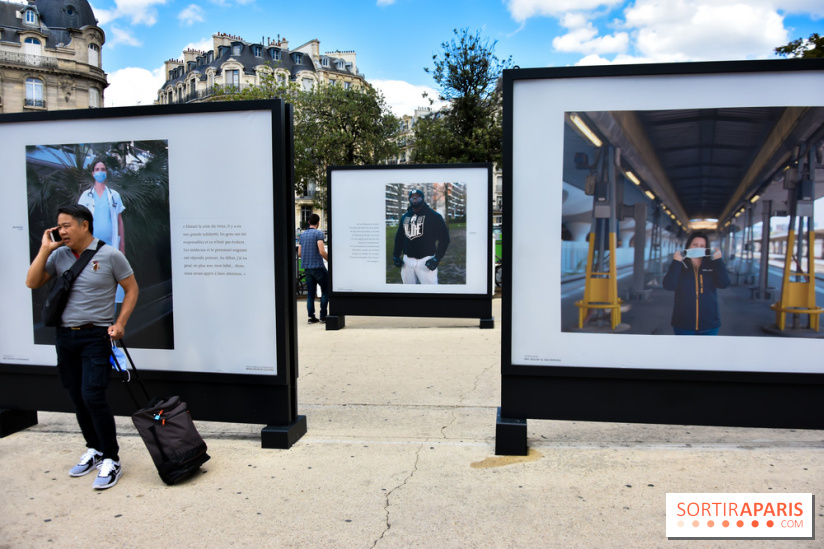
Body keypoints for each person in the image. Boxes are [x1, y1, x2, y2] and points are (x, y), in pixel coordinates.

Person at [26, 204, 139, 489]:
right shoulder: (59, 255)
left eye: (66, 225)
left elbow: (132, 288)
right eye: (58, 226)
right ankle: (95, 449)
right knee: (76, 396)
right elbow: (32, 282)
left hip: (95, 337)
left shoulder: (111, 255)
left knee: (93, 396)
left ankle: (111, 459)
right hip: (65, 338)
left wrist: (121, 322)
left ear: (84, 225)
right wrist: (45, 249)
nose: (61, 231)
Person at [662, 231, 730, 335]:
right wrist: (676, 262)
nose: (698, 248)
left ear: (706, 248)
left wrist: (718, 261)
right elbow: (669, 286)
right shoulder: (681, 264)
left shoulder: (711, 264)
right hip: (683, 324)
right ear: (688, 246)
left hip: (710, 324)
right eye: (695, 244)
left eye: (702, 246)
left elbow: (724, 284)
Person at [78, 157, 126, 302]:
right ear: (93, 173)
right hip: (92, 249)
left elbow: (119, 221)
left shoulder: (114, 196)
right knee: (95, 276)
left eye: (103, 169)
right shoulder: (86, 196)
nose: (100, 172)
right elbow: (79, 222)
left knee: (111, 279)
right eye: (97, 170)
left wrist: (122, 245)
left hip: (110, 247)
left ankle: (110, 317)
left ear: (106, 173)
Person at [392, 189, 450, 284]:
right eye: (412, 197)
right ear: (409, 199)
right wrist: (396, 255)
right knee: (408, 290)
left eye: (417, 197)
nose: (415, 199)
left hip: (426, 260)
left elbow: (445, 239)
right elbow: (399, 238)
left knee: (430, 291)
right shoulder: (405, 217)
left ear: (422, 199)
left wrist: (437, 258)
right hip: (407, 261)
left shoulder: (434, 216)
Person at [297, 213, 328, 323]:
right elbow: (322, 251)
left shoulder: (303, 235)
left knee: (310, 293)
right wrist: (330, 260)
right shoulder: (318, 234)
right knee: (326, 290)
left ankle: (311, 317)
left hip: (307, 269)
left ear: (309, 222)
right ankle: (323, 316)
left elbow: (299, 253)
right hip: (318, 267)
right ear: (318, 223)